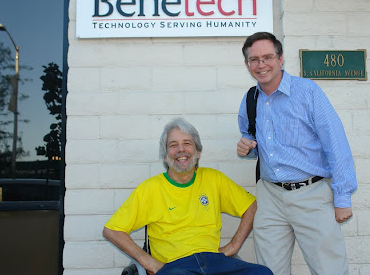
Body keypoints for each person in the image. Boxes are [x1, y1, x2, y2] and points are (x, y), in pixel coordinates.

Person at [237, 32, 358, 275]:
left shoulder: (308, 92)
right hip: (270, 197)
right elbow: (253, 141)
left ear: (281, 59)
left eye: (268, 57)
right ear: (248, 64)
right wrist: (247, 148)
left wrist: (342, 197)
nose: (261, 65)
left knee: (330, 270)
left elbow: (335, 144)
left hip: (311, 195)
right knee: (268, 271)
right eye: (254, 59)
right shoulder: (250, 99)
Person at [103, 117, 273, 275]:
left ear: (198, 152)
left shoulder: (214, 179)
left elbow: (251, 206)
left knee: (263, 273)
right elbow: (112, 230)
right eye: (173, 145)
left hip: (215, 262)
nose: (181, 150)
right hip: (175, 266)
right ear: (164, 155)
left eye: (187, 143)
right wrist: (149, 263)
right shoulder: (151, 188)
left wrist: (233, 246)